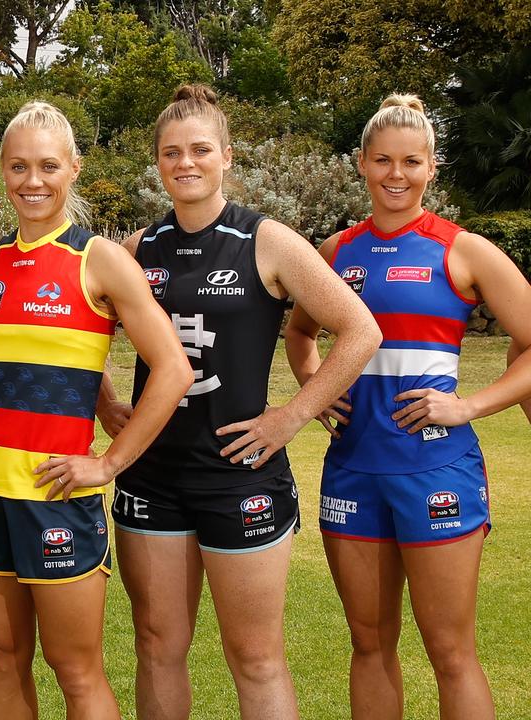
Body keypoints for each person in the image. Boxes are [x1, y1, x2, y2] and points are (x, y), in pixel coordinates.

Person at [98, 85, 381, 720]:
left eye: (201, 149)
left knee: (255, 656)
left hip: (240, 476)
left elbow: (361, 330)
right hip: (152, 475)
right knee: (157, 647)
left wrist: (293, 413)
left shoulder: (266, 240)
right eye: (172, 153)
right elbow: (74, 334)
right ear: (158, 162)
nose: (186, 163)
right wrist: (106, 402)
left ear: (227, 155)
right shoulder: (138, 249)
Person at [0, 100, 191, 720]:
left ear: (73, 169)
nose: (32, 182)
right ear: (2, 172)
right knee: (1, 660)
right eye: (18, 167)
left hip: (57, 495)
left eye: (48, 167)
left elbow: (174, 370)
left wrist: (109, 462)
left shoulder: (101, 260)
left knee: (76, 670)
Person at [286, 93, 531, 720]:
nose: (397, 175)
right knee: (368, 645)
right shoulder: (337, 251)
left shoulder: (463, 250)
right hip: (353, 470)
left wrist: (469, 406)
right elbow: (300, 332)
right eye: (384, 161)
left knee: (450, 651)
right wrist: (316, 388)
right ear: (362, 164)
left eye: (412, 162)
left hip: (437, 472)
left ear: (432, 167)